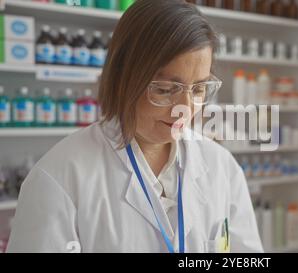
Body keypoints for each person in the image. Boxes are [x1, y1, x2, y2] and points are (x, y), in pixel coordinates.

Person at [7, 0, 262, 253]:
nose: (185, 107)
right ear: (123, 78)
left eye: (198, 89)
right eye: (165, 89)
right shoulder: (59, 177)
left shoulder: (222, 167)